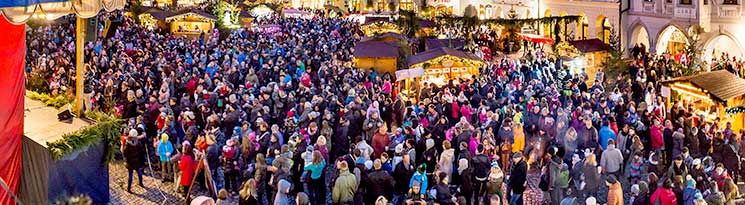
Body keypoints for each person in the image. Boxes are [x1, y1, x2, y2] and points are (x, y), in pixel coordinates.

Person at [123, 129, 145, 193]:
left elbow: (125, 153)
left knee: (130, 175)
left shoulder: (127, 143)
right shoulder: (138, 142)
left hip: (130, 162)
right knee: (139, 172)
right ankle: (141, 183)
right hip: (136, 161)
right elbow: (141, 150)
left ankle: (129, 188)